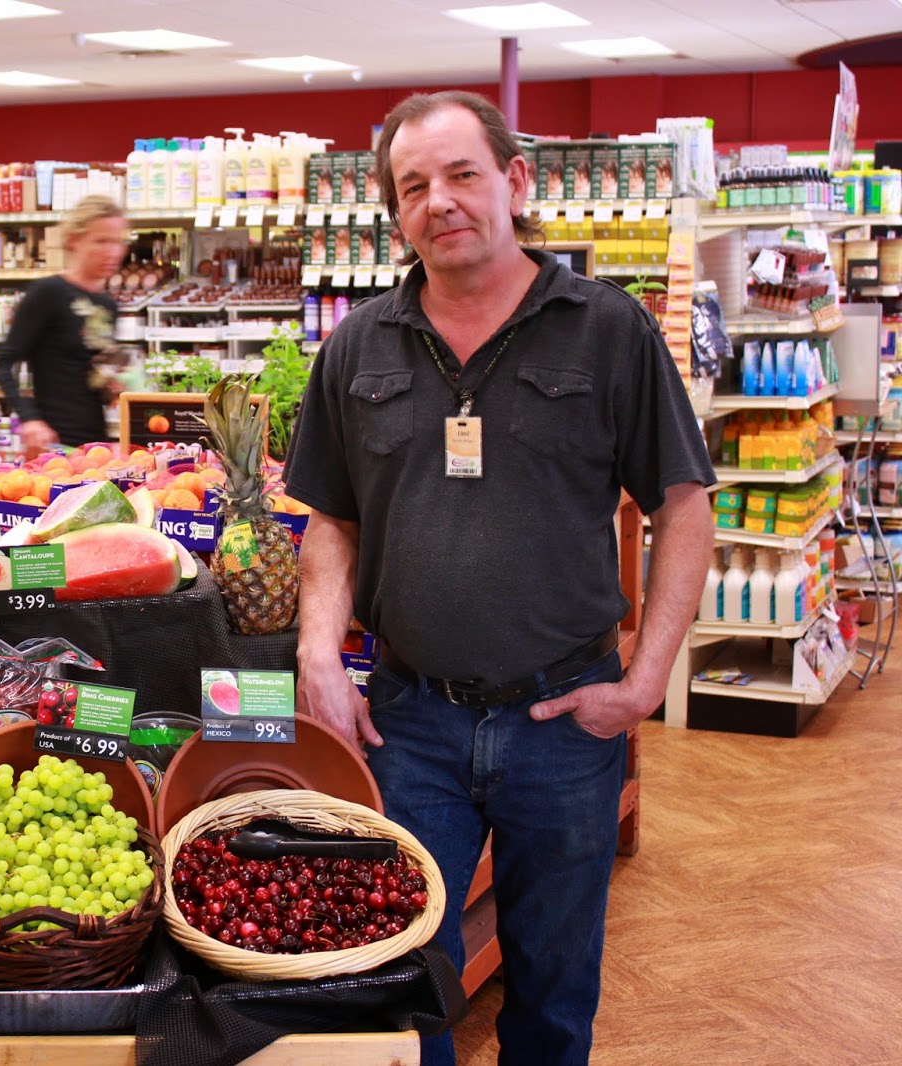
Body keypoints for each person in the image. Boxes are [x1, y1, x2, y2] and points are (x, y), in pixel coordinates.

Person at [283, 91, 715, 1066]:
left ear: (515, 182)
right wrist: (317, 653)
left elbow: (684, 504)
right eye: (413, 186)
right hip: (409, 722)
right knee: (405, 985)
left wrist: (645, 681)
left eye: (462, 173)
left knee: (553, 994)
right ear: (393, 211)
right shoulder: (356, 347)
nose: (439, 201)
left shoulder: (609, 332)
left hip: (562, 718)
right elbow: (330, 518)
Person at [0, 195, 129, 454]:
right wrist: (30, 419)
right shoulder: (48, 293)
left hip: (95, 444)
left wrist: (114, 383)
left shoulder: (107, 305)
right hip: (53, 445)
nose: (113, 252)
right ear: (75, 241)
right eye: (102, 241)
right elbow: (4, 363)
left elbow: (90, 371)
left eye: (118, 242)